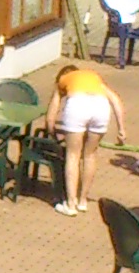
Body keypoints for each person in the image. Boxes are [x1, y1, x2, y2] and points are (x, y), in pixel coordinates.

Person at [49, 62, 121, 214]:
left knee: (73, 155)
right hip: (101, 106)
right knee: (90, 154)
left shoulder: (63, 80)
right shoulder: (94, 78)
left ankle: (70, 204)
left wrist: (52, 131)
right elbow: (115, 100)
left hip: (78, 105)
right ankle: (83, 201)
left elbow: (52, 112)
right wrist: (121, 129)